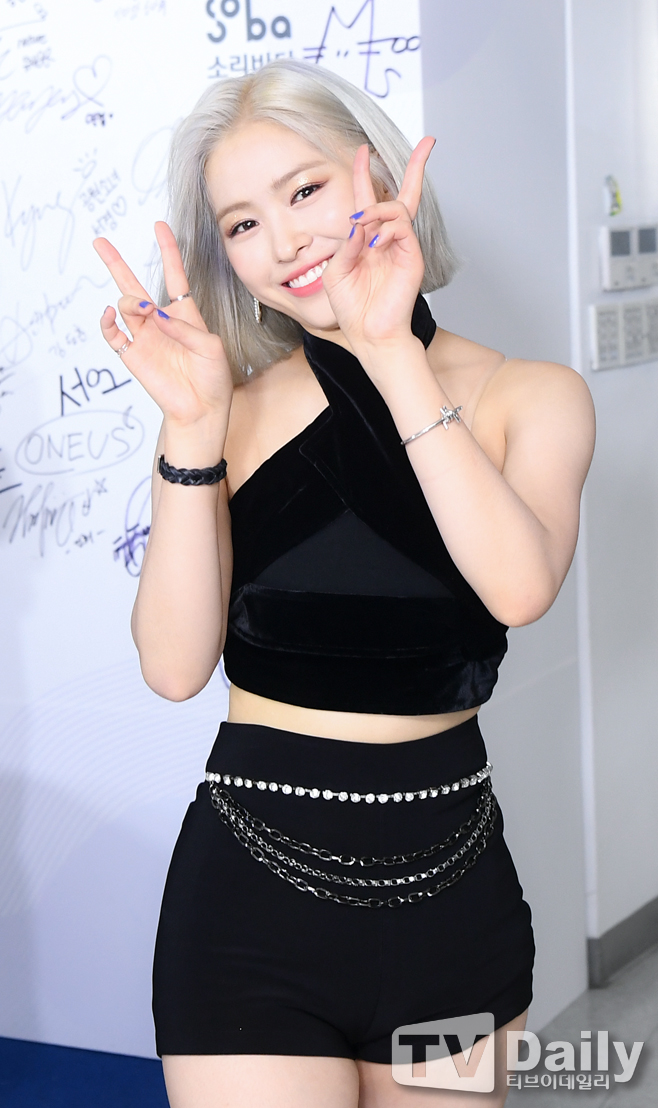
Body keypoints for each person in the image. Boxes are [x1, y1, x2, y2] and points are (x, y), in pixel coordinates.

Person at [93, 59, 594, 1108]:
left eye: (305, 190)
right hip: (248, 899)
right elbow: (174, 668)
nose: (283, 241)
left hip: (451, 895)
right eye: (242, 223)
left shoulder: (531, 396)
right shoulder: (222, 409)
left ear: (377, 175)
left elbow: (517, 589)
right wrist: (191, 429)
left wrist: (388, 351)